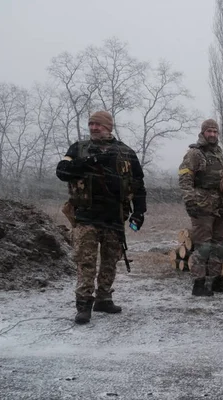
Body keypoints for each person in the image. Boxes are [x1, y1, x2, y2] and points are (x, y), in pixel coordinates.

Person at [56, 111, 147, 324]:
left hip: (114, 217)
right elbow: (62, 171)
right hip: (86, 216)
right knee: (85, 261)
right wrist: (89, 163)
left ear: (108, 126)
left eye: (98, 124)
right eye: (91, 124)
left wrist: (139, 212)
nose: (94, 128)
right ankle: (84, 304)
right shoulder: (78, 149)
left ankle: (104, 298)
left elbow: (139, 185)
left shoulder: (126, 153)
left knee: (110, 261)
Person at [178, 119, 223, 296]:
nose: (212, 134)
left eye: (215, 131)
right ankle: (199, 284)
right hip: (202, 207)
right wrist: (190, 201)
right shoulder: (195, 154)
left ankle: (216, 281)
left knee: (219, 246)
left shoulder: (220, 154)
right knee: (203, 247)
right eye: (209, 131)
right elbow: (184, 178)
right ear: (203, 132)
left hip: (221, 206)